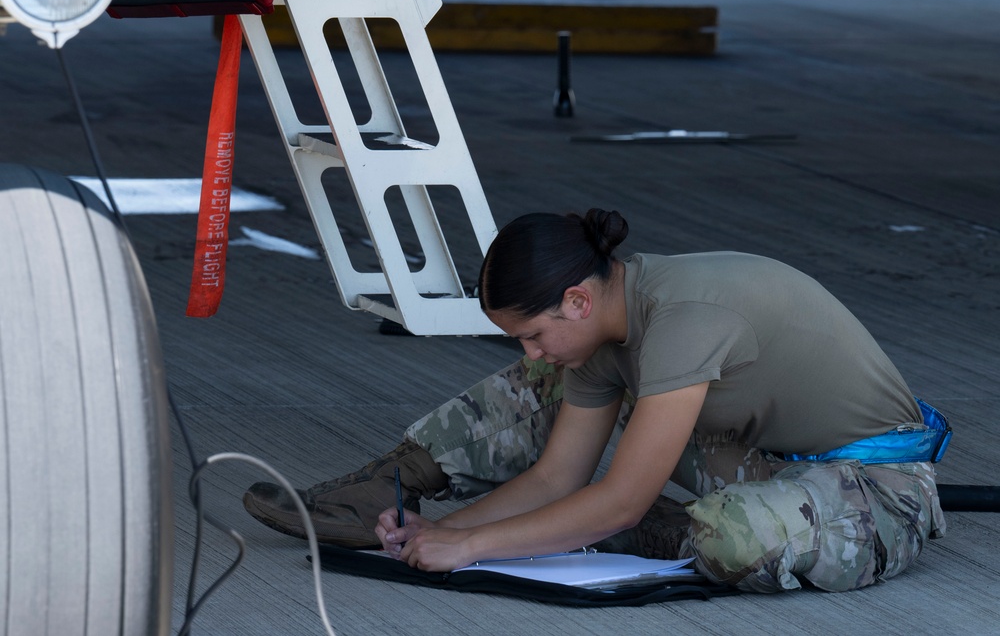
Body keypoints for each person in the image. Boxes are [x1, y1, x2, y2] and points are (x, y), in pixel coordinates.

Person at [244, 209, 948, 593]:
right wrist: (445, 534)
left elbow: (617, 500)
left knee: (735, 539)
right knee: (549, 382)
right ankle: (394, 482)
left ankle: (672, 535)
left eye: (535, 330)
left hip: (875, 489)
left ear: (577, 298)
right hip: (768, 457)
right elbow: (557, 475)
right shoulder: (607, 325)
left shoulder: (681, 320)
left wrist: (474, 545)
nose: (530, 348)